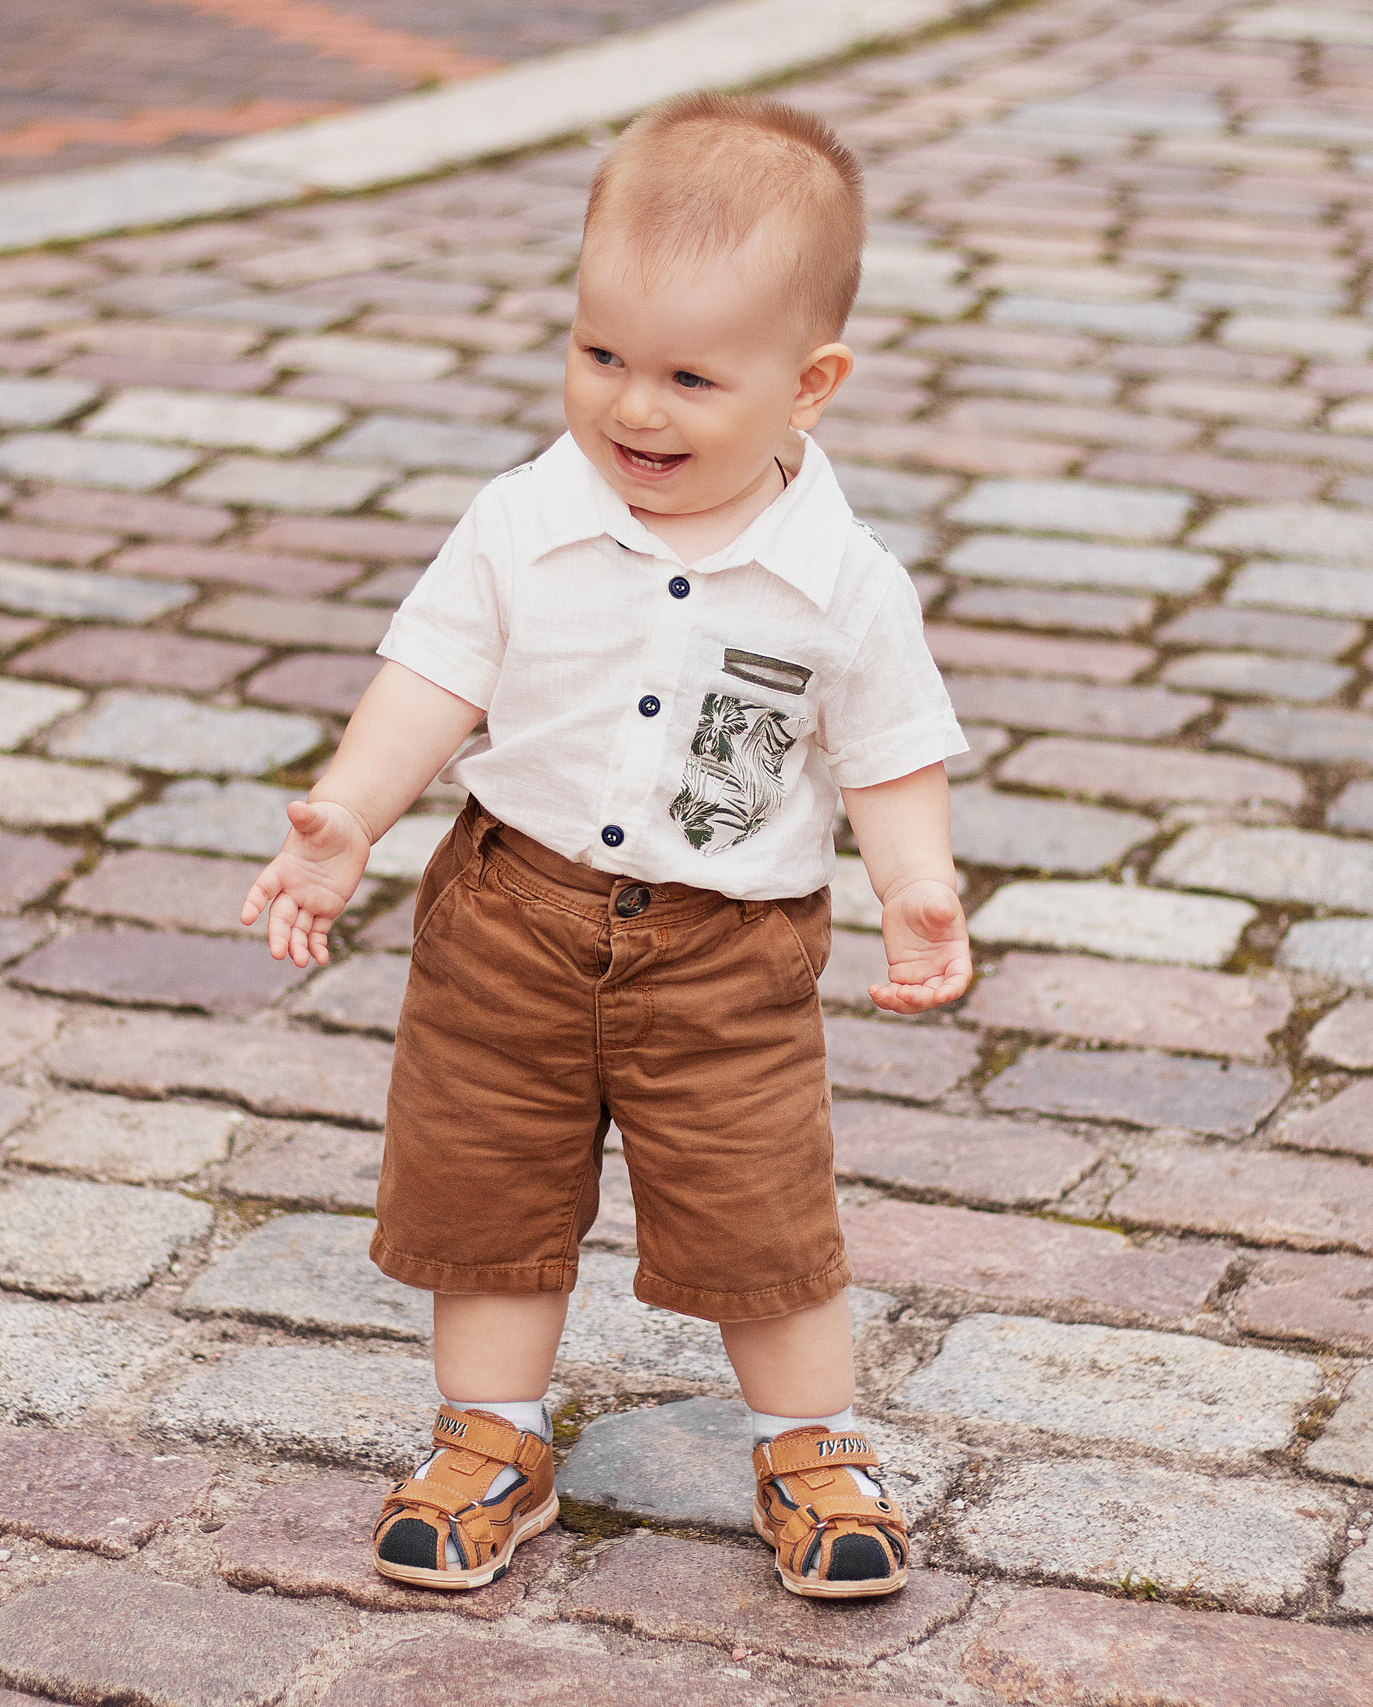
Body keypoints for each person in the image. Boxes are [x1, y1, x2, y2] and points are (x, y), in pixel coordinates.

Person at [241, 90, 971, 1600]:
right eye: (600, 357)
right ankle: (491, 1440)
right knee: (485, 1194)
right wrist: (349, 819)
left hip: (726, 958)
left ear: (811, 383)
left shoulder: (843, 581)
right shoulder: (523, 519)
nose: (634, 409)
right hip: (513, 912)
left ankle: (812, 1444)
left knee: (761, 1206)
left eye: (693, 378)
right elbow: (434, 675)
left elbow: (891, 749)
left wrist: (918, 885)